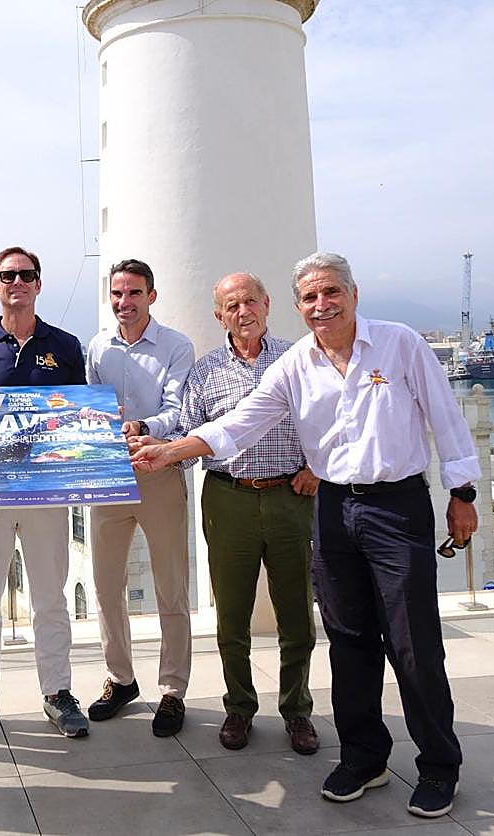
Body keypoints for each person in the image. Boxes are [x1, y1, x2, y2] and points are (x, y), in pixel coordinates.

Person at [131, 252, 479, 820]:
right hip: (333, 509)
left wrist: (462, 494)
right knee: (349, 640)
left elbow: (446, 417)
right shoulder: (295, 364)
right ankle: (364, 757)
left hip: (397, 507)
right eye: (311, 298)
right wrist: (171, 449)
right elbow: (240, 422)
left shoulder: (400, 344)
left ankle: (439, 766)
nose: (322, 306)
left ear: (353, 293)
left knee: (413, 644)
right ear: (298, 307)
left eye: (331, 293)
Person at [164, 272, 319, 754]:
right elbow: (190, 437)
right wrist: (155, 452)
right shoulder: (206, 372)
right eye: (232, 306)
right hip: (227, 498)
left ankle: (297, 711)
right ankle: (239, 707)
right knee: (232, 614)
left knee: (297, 613)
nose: (243, 312)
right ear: (219, 316)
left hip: (290, 496)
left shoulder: (301, 360)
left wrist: (317, 466)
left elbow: (330, 421)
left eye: (250, 301)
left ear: (268, 304)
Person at [0, 245, 90, 745]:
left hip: (47, 494)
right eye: (8, 275)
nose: (17, 282)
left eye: (27, 275)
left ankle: (58, 693)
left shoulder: (67, 346)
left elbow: (76, 416)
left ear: (38, 284)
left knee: (50, 597)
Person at [83, 259, 195, 736]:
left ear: (152, 295)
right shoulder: (96, 346)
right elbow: (87, 404)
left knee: (171, 585)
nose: (123, 302)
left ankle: (172, 689)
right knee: (106, 586)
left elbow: (178, 407)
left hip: (158, 470)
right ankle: (120, 679)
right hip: (108, 473)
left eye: (133, 293)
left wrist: (144, 428)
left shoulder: (176, 346)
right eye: (116, 294)